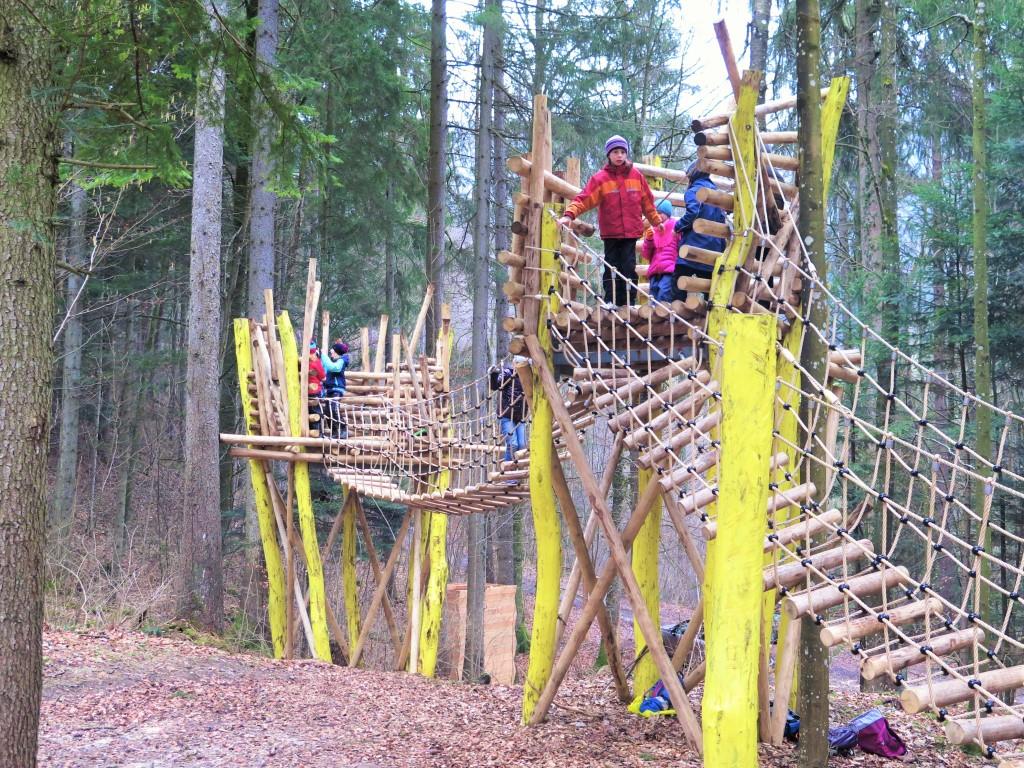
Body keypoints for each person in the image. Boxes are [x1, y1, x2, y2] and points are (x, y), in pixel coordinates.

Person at [557, 135, 663, 308]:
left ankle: (628, 302)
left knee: (628, 266)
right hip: (611, 232)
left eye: (622, 152)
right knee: (611, 266)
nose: (619, 155)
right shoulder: (601, 179)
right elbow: (584, 199)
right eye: (615, 152)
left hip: (630, 233)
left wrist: (657, 221)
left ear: (626, 154)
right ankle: (610, 301)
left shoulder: (636, 176)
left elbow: (647, 202)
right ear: (609, 155)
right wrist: (569, 215)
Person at [672, 161, 727, 301]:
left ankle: (676, 311)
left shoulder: (694, 191)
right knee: (710, 287)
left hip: (694, 247)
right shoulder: (717, 192)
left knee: (678, 283)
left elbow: (693, 213)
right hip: (713, 249)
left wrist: (677, 227)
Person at [489, 358, 528, 463]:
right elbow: (495, 385)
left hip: (520, 417)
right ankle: (508, 470)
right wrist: (494, 374)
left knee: (522, 445)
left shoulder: (528, 376)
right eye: (518, 363)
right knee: (513, 444)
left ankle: (517, 468)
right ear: (514, 364)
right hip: (507, 415)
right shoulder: (508, 373)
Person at [641, 198, 679, 303]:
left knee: (664, 294)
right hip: (655, 270)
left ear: (667, 214)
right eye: (656, 213)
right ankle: (653, 313)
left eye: (660, 213)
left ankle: (663, 312)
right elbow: (646, 254)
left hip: (669, 270)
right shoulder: (653, 230)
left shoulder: (675, 226)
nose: (657, 215)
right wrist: (648, 240)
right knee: (652, 296)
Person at [321, 341, 350, 439]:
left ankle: (343, 430)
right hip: (329, 389)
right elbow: (325, 371)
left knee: (334, 408)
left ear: (337, 352)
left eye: (332, 351)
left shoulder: (341, 361)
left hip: (337, 389)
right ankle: (334, 432)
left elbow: (334, 368)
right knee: (327, 411)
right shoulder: (332, 361)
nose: (331, 353)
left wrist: (324, 356)